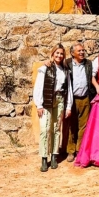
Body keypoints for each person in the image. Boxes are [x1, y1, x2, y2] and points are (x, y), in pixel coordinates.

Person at [33, 43, 73, 172]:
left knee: (56, 128)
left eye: (61, 54)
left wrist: (68, 106)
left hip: (60, 100)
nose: (59, 56)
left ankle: (54, 156)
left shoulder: (65, 70)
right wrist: (39, 104)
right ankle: (44, 158)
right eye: (57, 53)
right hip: (46, 100)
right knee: (45, 129)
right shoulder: (45, 68)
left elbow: (69, 89)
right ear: (53, 53)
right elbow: (38, 86)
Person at [65, 42, 95, 162]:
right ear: (73, 53)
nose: (82, 52)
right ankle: (70, 151)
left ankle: (80, 149)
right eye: (79, 51)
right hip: (72, 99)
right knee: (72, 125)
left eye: (83, 50)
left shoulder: (88, 63)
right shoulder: (67, 63)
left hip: (85, 98)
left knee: (84, 125)